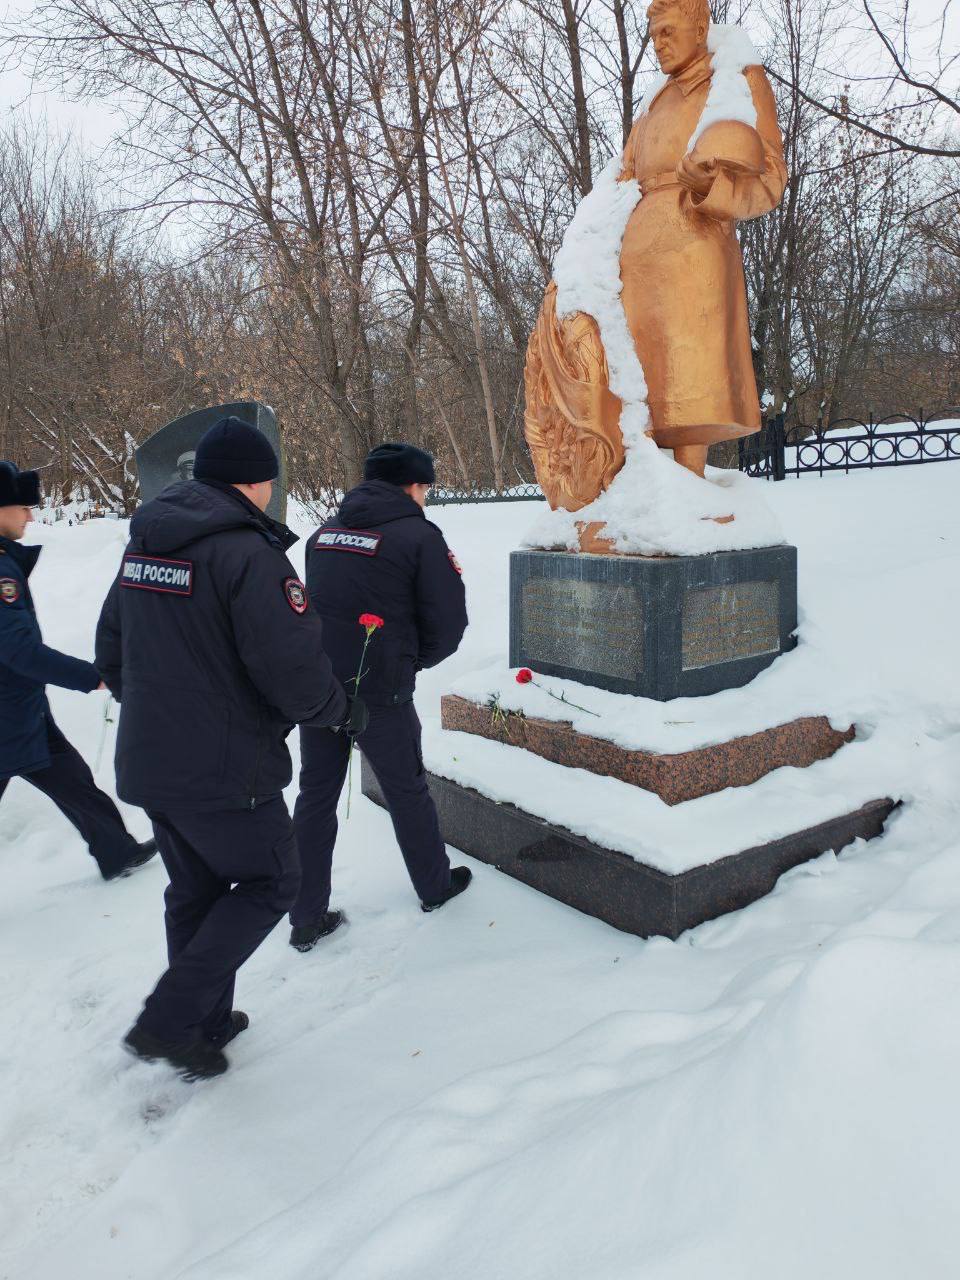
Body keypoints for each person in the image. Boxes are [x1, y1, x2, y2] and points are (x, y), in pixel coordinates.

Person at [96, 418, 352, 1080]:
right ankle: (169, 1022)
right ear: (254, 482)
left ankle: (203, 1023)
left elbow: (111, 647)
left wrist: (160, 715)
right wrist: (337, 711)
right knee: (273, 881)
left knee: (196, 889)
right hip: (226, 772)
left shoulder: (147, 543)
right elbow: (292, 668)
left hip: (154, 760)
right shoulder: (248, 556)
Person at [290, 441, 471, 953]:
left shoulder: (323, 534)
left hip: (321, 686)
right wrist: (412, 661)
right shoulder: (418, 535)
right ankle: (434, 886)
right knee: (407, 790)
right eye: (426, 488)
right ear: (413, 486)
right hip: (382, 691)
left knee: (315, 796)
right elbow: (450, 622)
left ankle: (305, 916)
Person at [0, 460, 156, 881]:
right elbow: (18, 651)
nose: (31, 515)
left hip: (21, 709)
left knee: (72, 778)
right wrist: (91, 676)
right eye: (21, 507)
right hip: (7, 714)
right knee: (68, 776)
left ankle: (117, 851)